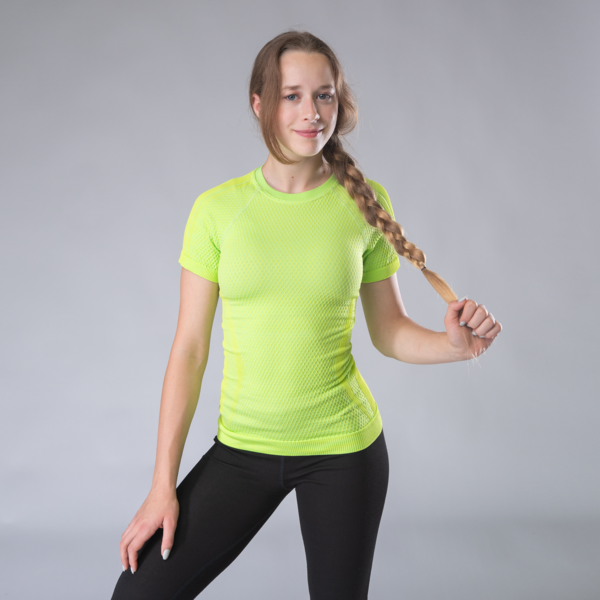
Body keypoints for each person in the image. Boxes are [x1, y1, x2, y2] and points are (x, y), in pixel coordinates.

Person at [110, 29, 502, 600]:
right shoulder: (218, 212)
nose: (311, 112)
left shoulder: (363, 203)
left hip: (344, 451)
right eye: (292, 96)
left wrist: (454, 347)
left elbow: (389, 331)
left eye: (324, 95)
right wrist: (160, 486)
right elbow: (189, 352)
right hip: (243, 451)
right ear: (259, 104)